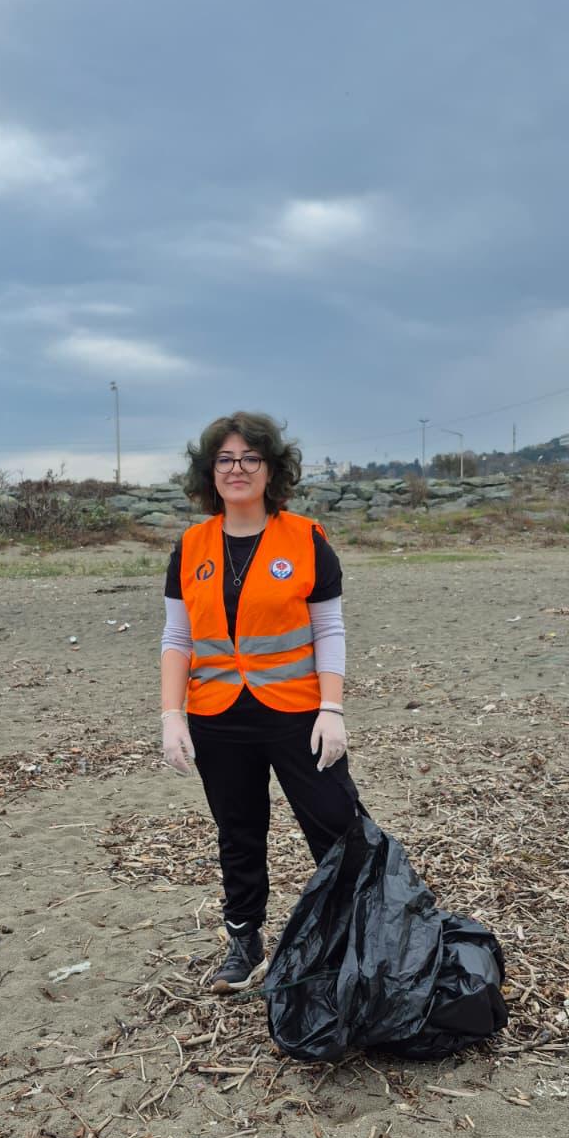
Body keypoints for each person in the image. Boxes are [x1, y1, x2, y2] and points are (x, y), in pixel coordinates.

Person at [160, 412, 364, 994]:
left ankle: (359, 932)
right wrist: (172, 715)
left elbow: (329, 630)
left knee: (335, 823)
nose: (238, 469)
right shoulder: (191, 546)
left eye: (250, 458)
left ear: (271, 469)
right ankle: (244, 941)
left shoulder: (306, 539)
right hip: (218, 715)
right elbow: (178, 638)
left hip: (297, 712)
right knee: (238, 832)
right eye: (225, 459)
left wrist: (332, 710)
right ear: (210, 472)